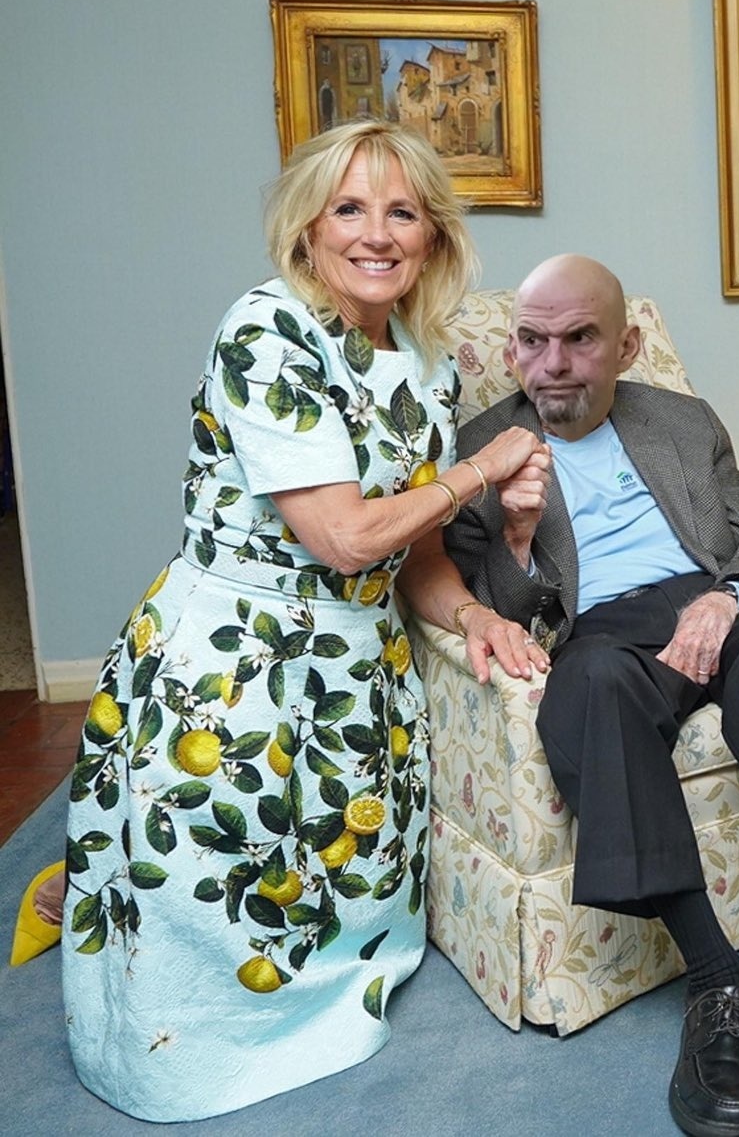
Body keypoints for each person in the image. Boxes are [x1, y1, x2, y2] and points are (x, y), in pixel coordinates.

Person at [61, 121, 544, 1121]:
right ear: (309, 227)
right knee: (210, 886)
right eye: (349, 209)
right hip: (238, 663)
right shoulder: (266, 329)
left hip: (359, 668)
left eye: (402, 212)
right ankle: (176, 1059)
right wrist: (479, 469)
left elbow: (414, 553)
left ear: (432, 235)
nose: (377, 234)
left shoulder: (429, 360)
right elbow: (346, 537)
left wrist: (471, 614)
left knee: (337, 886)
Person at [428, 254, 739, 1137]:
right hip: (601, 634)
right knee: (589, 685)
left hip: (715, 602)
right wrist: (514, 535)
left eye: (580, 339)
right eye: (533, 342)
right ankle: (717, 981)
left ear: (625, 346)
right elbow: (507, 615)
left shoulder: (682, 421)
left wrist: (725, 598)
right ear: (510, 353)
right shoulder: (483, 453)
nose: (553, 364)